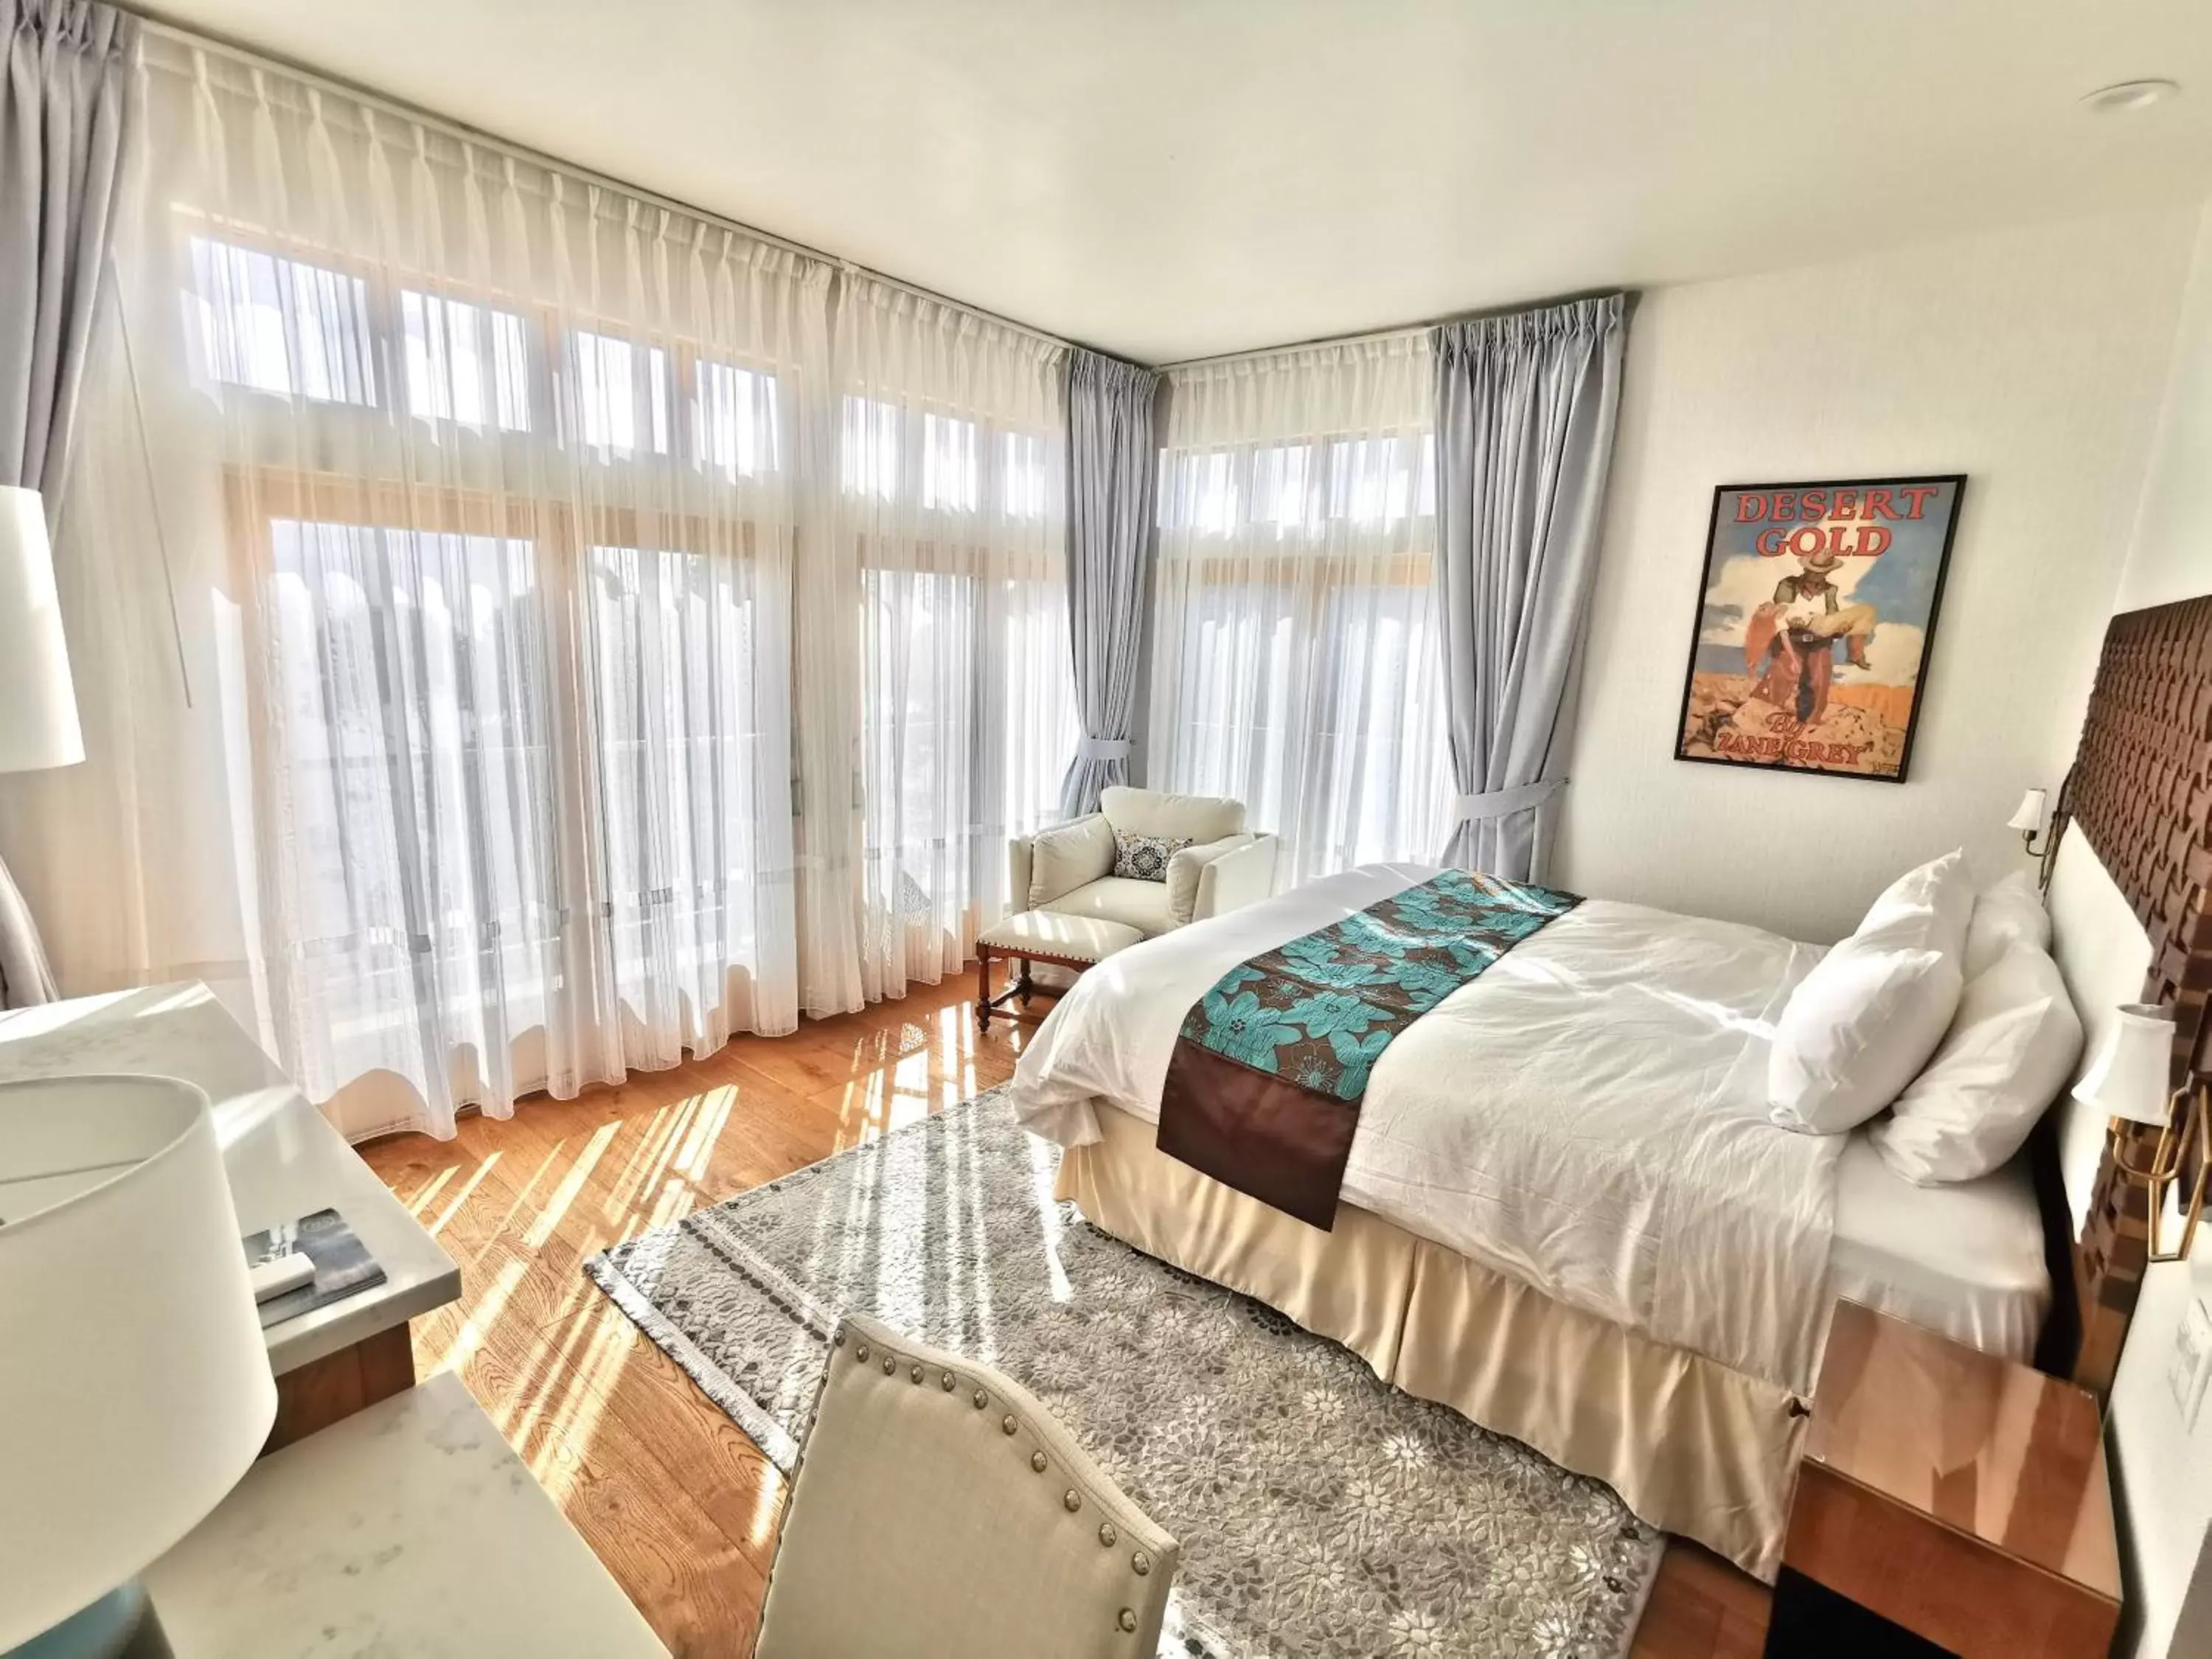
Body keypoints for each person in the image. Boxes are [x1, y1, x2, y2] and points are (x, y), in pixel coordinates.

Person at [1745, 548, 1878, 725]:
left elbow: (1832, 613)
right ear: (1806, 569)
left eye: (1821, 572)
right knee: (1782, 677)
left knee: (1818, 681)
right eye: (1813, 571)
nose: (1815, 575)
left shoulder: (1830, 590)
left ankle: (1810, 722)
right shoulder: (1788, 584)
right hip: (1793, 640)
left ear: (1828, 572)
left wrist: (1838, 627)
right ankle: (1767, 718)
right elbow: (1781, 612)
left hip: (1820, 639)